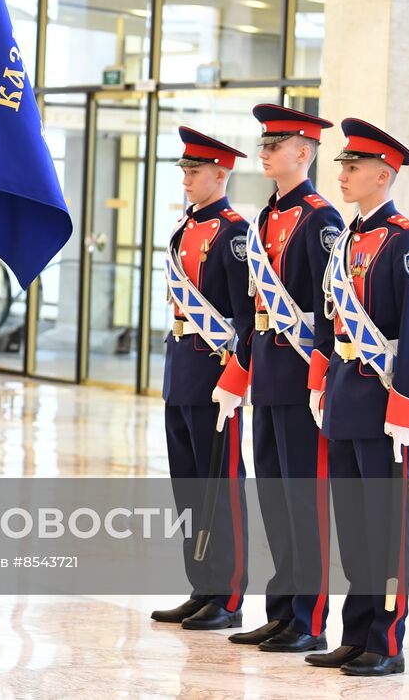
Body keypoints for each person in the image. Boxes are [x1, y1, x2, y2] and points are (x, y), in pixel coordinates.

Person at [305, 118, 409, 678]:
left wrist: (406, 406)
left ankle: (386, 641)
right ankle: (355, 634)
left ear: (384, 175)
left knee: (384, 527)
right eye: (341, 165)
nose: (343, 173)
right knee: (354, 527)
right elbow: (330, 323)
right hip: (348, 397)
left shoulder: (407, 243)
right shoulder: (349, 241)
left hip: (384, 405)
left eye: (353, 166)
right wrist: (320, 383)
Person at [228, 105, 342, 652]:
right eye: (265, 143)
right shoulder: (265, 219)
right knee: (274, 495)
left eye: (277, 143)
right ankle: (281, 610)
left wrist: (320, 373)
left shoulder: (322, 221)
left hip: (301, 376)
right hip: (270, 374)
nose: (266, 150)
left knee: (304, 498)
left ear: (305, 151)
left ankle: (310, 619)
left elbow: (332, 309)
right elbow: (254, 308)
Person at [150, 127, 251, 632]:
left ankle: (227, 593)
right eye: (185, 171)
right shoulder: (186, 227)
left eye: (196, 171)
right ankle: (200, 585)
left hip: (214, 371)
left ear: (221, 173)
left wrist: (236, 375)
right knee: (187, 486)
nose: (187, 179)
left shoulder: (233, 233)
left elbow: (244, 316)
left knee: (220, 485)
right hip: (181, 362)